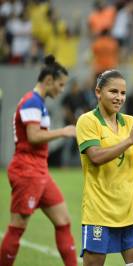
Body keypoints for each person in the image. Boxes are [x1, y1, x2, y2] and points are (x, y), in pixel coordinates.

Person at [0, 55, 77, 266]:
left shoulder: (38, 102)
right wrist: (63, 131)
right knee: (17, 226)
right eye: (60, 85)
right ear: (49, 80)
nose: (62, 90)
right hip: (27, 170)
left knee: (63, 221)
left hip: (39, 170)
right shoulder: (31, 101)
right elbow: (33, 136)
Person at [76, 69, 133, 266]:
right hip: (99, 211)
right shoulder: (88, 121)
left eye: (123, 93)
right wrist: (130, 139)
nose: (119, 97)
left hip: (131, 210)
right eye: (113, 91)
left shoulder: (131, 122)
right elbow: (95, 157)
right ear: (98, 92)